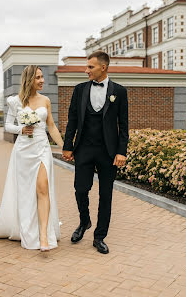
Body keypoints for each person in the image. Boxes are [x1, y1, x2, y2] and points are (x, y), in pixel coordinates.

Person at [0, 65, 64, 252]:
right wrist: (20, 129)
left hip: (42, 147)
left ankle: (44, 235)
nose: (42, 80)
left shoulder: (45, 100)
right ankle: (28, 231)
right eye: (38, 77)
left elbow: (51, 126)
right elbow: (7, 125)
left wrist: (65, 147)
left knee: (43, 187)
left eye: (42, 77)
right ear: (29, 79)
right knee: (27, 193)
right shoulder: (15, 101)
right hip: (23, 150)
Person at [62, 51, 129, 254]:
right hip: (84, 148)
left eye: (90, 67)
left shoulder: (120, 91)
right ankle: (84, 222)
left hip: (108, 152)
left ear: (103, 67)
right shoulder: (80, 90)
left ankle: (99, 237)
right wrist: (68, 145)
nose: (86, 70)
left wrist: (121, 152)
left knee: (105, 195)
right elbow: (72, 119)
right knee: (80, 189)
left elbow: (124, 125)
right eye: (86, 66)